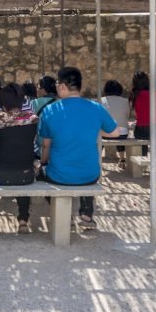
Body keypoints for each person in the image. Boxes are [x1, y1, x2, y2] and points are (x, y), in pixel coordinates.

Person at [38, 67, 121, 227]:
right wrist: (95, 128)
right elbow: (115, 132)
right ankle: (86, 214)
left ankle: (64, 214)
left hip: (58, 175)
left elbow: (46, 146)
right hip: (90, 174)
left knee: (40, 175)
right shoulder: (95, 107)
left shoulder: (50, 110)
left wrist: (43, 163)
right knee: (87, 171)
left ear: (62, 86)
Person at [0, 83, 38, 233]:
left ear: (2, 104)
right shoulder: (33, 120)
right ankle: (23, 220)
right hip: (27, 176)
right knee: (22, 166)